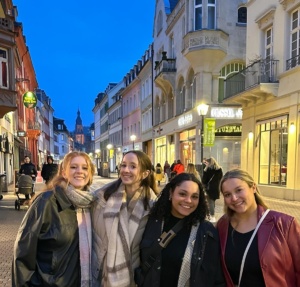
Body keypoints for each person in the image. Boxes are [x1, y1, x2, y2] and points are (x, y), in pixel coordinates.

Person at [12, 151, 96, 286]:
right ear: (63, 172)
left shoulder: (93, 204)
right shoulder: (46, 202)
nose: (80, 171)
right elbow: (23, 253)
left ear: (90, 173)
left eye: (85, 168)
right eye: (73, 167)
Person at [135, 173, 225, 287]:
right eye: (182, 194)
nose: (188, 200)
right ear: (171, 193)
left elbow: (214, 276)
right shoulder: (150, 222)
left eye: (194, 197)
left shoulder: (206, 231)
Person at [217, 169, 300, 287]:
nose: (234, 198)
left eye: (239, 190)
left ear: (253, 187)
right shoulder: (222, 225)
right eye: (227, 194)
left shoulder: (285, 224)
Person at [91, 150, 158, 287]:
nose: (126, 170)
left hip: (134, 277)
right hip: (101, 274)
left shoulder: (153, 207)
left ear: (145, 174)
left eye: (133, 166)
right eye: (123, 165)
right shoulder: (102, 197)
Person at [202, 157, 223, 222]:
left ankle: (212, 215)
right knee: (212, 201)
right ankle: (211, 214)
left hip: (209, 188)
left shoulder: (207, 169)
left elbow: (204, 180)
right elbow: (221, 178)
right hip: (216, 188)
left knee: (210, 201)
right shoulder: (219, 169)